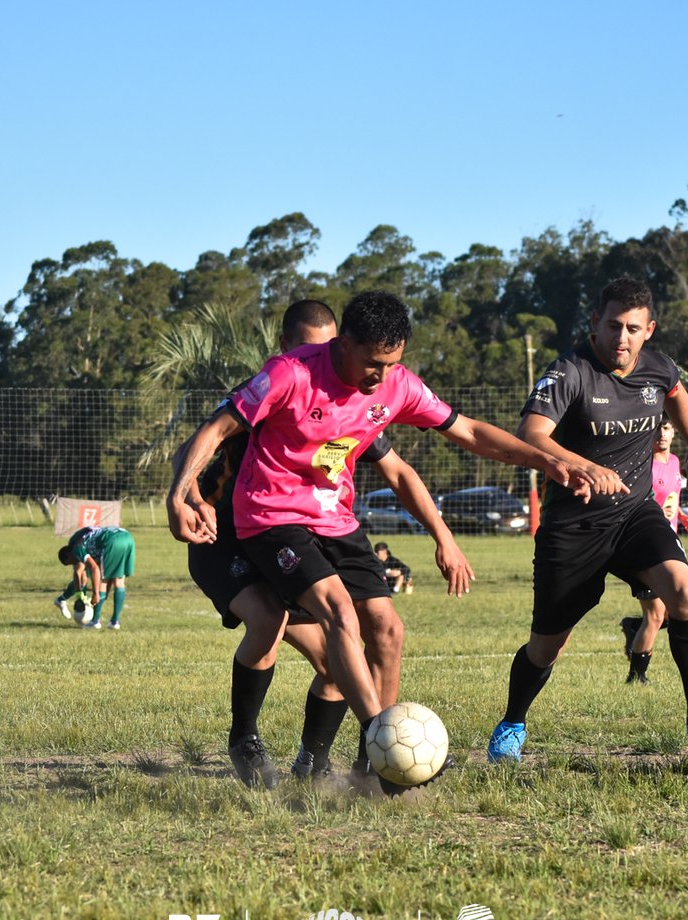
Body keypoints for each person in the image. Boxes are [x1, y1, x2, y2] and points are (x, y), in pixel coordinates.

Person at [170, 290, 593, 790]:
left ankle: (366, 766)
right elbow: (214, 429)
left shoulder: (396, 385)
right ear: (343, 343)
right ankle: (379, 740)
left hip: (335, 520)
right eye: (374, 363)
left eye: (392, 364)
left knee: (387, 629)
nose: (382, 375)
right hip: (270, 516)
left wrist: (548, 461)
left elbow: (470, 433)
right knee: (331, 615)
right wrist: (180, 495)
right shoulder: (289, 374)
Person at [169, 299, 472, 788]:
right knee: (269, 619)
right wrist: (191, 497)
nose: (326, 362)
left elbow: (397, 470)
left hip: (290, 534)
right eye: (312, 349)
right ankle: (245, 738)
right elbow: (192, 448)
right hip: (225, 539)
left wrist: (443, 535)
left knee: (337, 658)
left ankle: (317, 762)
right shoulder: (270, 388)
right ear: (286, 347)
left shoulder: (346, 398)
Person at [486, 276, 688, 764]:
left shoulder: (658, 367)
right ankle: (512, 722)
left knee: (686, 595)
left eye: (632, 328)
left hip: (635, 515)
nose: (621, 338)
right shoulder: (570, 371)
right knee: (547, 646)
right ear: (595, 323)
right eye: (613, 325)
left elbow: (677, 392)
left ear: (649, 330)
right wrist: (585, 466)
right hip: (574, 527)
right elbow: (530, 433)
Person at [618, 421, 688, 684]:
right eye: (656, 429)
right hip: (648, 543)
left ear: (674, 432)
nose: (661, 434)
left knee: (685, 607)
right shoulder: (643, 465)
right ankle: (636, 677)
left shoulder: (675, 462)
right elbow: (633, 499)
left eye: (666, 428)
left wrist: (682, 516)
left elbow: (671, 498)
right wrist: (652, 512)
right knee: (655, 615)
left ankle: (634, 627)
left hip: (670, 542)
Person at [65, 525, 135, 630]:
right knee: (119, 580)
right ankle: (115, 622)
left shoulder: (77, 548)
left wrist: (96, 594)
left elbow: (94, 569)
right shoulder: (89, 536)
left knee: (103, 581)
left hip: (112, 541)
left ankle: (95, 621)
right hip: (128, 537)